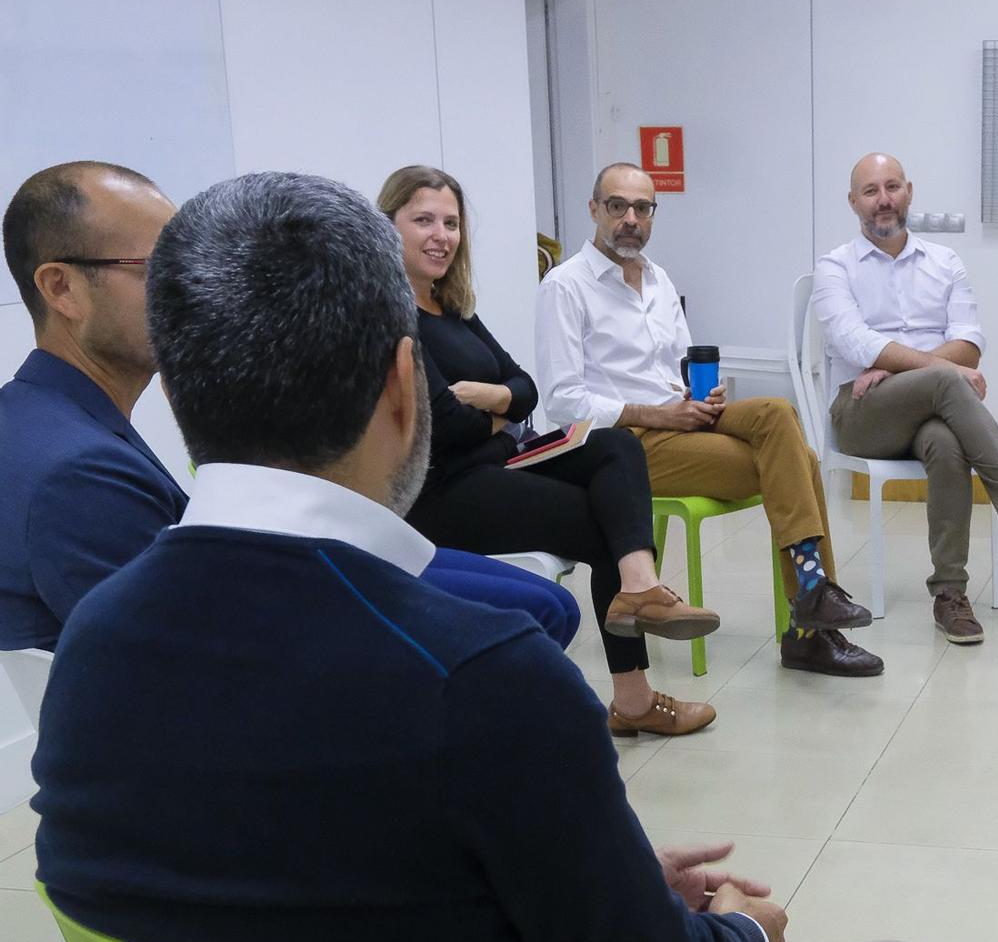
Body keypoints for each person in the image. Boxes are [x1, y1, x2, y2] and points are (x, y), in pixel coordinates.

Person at [34, 170, 956, 942]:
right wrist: (750, 934)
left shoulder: (93, 647)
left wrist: (594, 872)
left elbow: (295, 866)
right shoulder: (478, 673)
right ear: (399, 382)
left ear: (183, 381)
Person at [0, 160, 581, 653]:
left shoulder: (47, 418)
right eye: (160, 270)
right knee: (537, 612)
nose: (192, 292)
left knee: (539, 599)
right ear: (61, 289)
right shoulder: (76, 476)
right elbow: (190, 661)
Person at [381, 165, 717, 739]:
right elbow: (448, 424)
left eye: (451, 223)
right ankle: (634, 696)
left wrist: (491, 400)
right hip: (440, 490)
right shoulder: (390, 314)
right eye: (424, 221)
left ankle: (639, 588)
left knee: (613, 447)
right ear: (387, 227)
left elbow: (527, 389)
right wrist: (498, 408)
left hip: (497, 461)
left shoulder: (451, 306)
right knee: (610, 521)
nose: (441, 235)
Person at [536, 163, 883, 679]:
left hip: (681, 419)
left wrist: (701, 395)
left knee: (775, 412)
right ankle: (810, 620)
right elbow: (563, 400)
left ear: (653, 214)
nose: (630, 218)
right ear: (594, 210)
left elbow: (676, 367)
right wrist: (659, 413)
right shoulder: (566, 286)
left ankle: (813, 604)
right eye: (617, 206)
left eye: (643, 208)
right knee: (800, 464)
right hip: (623, 445)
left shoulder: (658, 279)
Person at [813, 152, 998, 646]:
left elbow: (971, 342)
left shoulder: (944, 262)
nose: (884, 200)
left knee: (946, 442)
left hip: (923, 410)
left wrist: (894, 363)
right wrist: (934, 367)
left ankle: (949, 595)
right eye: (871, 191)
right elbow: (856, 344)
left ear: (909, 191)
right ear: (853, 202)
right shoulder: (834, 267)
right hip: (860, 413)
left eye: (893, 187)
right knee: (948, 381)